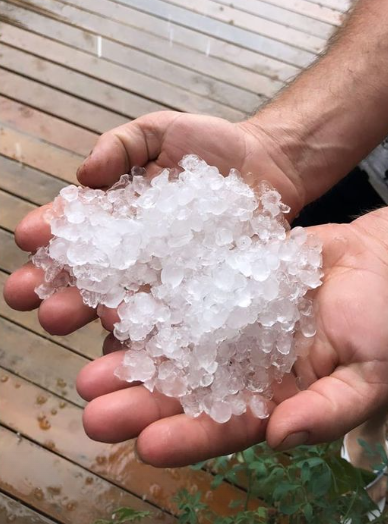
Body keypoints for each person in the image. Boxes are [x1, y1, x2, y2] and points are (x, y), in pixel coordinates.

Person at [3, 0, 388, 505]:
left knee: (361, 351)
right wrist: (286, 144)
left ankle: (374, 456)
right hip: (365, 162)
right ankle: (369, 448)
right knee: (343, 330)